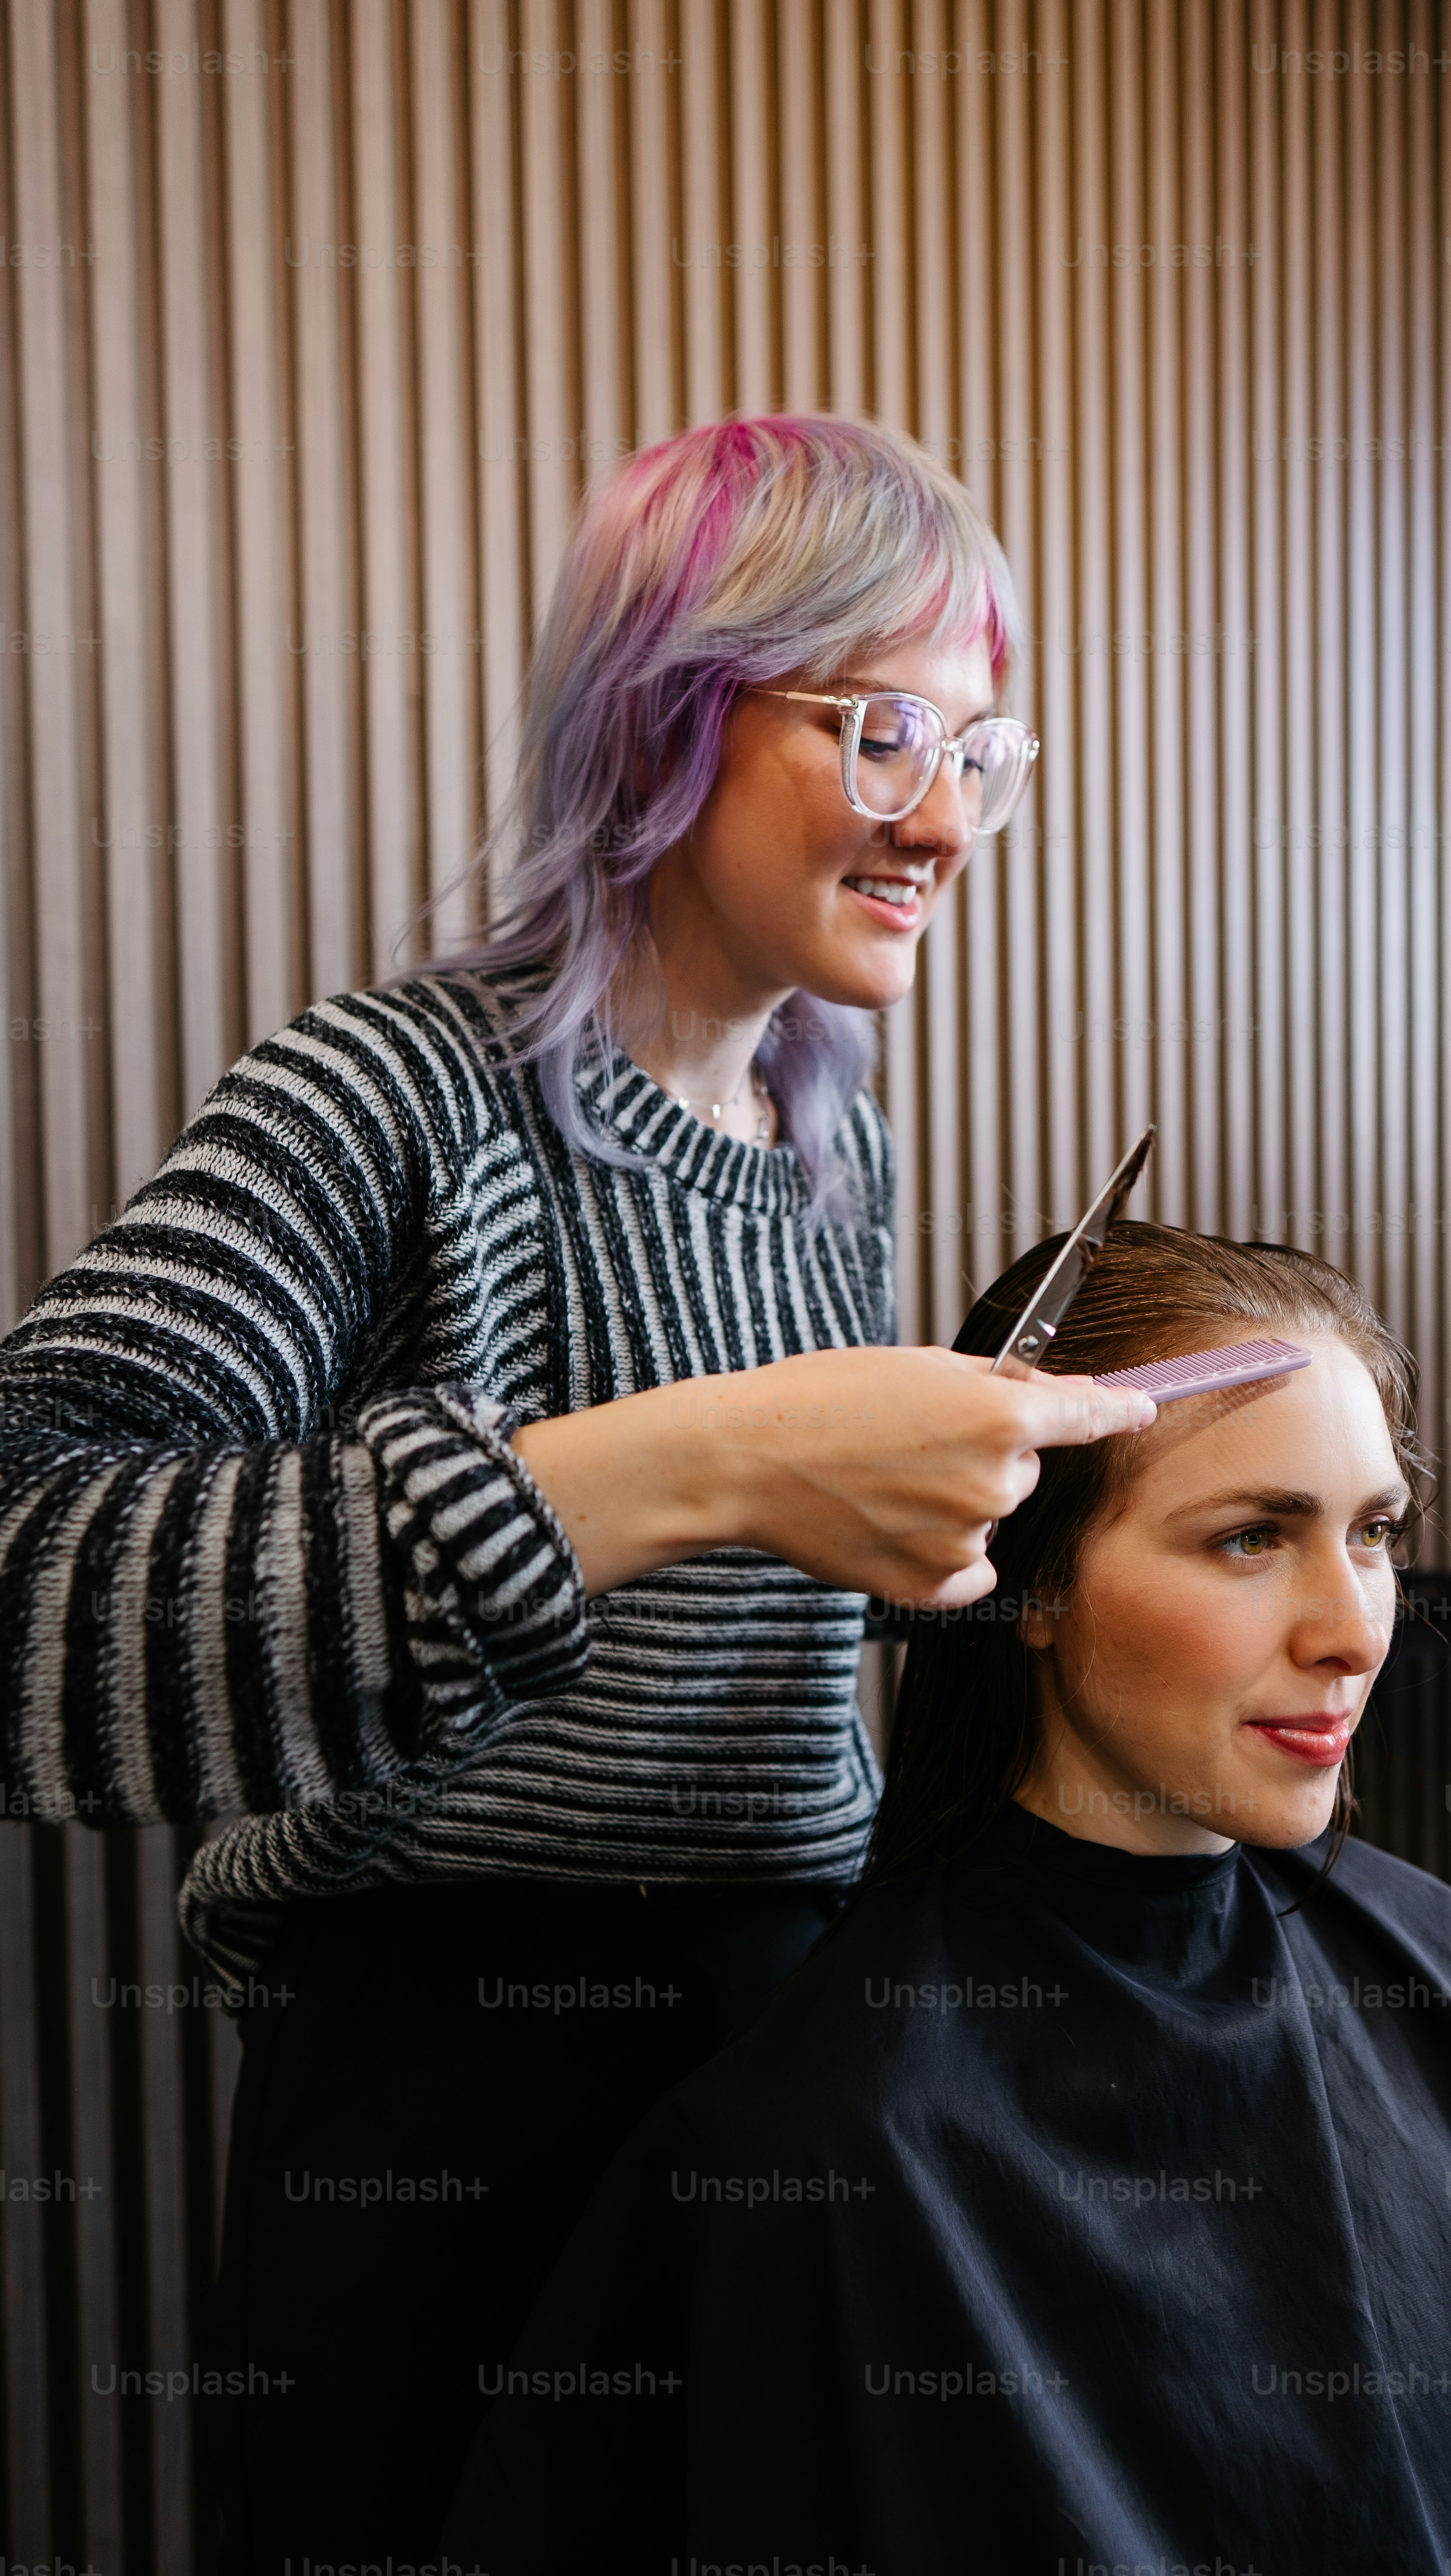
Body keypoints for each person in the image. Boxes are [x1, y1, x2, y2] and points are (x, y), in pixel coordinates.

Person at [0, 416, 1153, 2566]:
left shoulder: (833, 1155)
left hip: (778, 2066)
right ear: (666, 712)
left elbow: (747, 1649)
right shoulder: (388, 1093)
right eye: (886, 728)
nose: (949, 821)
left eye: (983, 751)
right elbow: (28, 1580)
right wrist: (713, 1458)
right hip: (436, 2115)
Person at [444, 1222, 1451, 2576]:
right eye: (1248, 1539)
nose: (1352, 1628)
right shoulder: (852, 2139)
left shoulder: (1425, 1951)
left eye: (1375, 1533)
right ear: (1035, 1578)